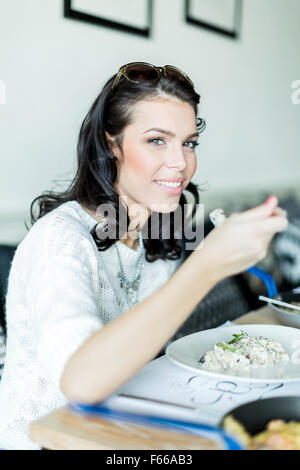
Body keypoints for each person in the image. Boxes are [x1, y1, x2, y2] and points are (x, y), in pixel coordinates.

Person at [0, 62, 288, 450]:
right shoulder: (60, 240)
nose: (180, 163)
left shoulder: (157, 232)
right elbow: (80, 382)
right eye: (157, 140)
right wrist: (206, 264)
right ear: (111, 145)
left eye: (188, 142)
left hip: (123, 429)